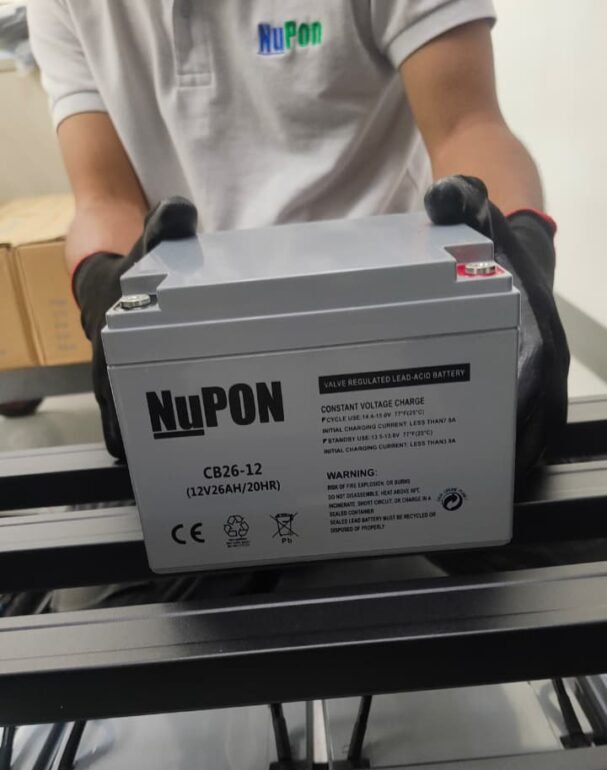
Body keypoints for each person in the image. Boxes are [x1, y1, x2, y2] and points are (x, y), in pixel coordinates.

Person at [25, 0, 570, 605]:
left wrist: (519, 246)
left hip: (404, 363)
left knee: (570, 585)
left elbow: (468, 124)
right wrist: (106, 289)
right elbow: (103, 195)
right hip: (204, 377)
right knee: (77, 613)